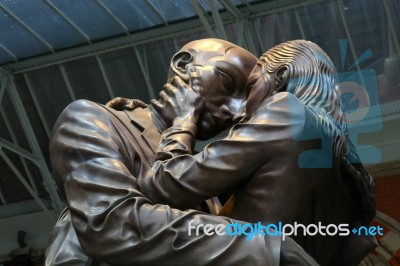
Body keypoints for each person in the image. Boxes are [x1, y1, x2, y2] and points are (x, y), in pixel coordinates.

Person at [45, 38, 316, 265]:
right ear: (183, 65)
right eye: (227, 81)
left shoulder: (204, 178)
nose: (235, 112)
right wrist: (267, 246)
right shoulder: (90, 119)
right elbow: (113, 225)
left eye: (245, 101)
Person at [141, 40, 377, 266]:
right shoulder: (352, 169)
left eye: (252, 86)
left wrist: (183, 121)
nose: (243, 110)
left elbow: (165, 185)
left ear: (281, 77)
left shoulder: (285, 110)